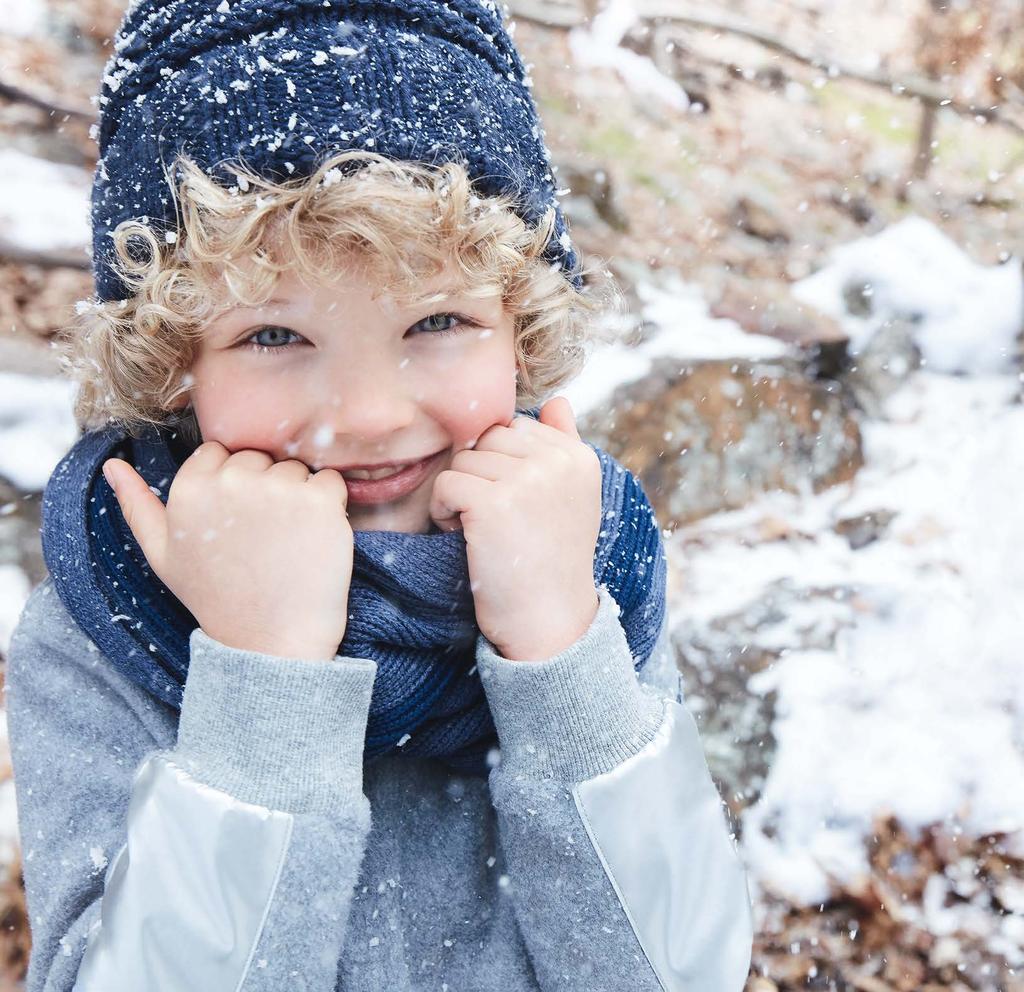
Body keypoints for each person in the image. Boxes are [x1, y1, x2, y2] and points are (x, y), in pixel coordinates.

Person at [4, 0, 754, 989]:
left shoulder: (585, 557)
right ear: (172, 366)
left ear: (519, 332)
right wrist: (262, 678)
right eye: (274, 335)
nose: (364, 414)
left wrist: (559, 644)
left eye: (436, 318)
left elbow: (680, 970)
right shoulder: (109, 618)